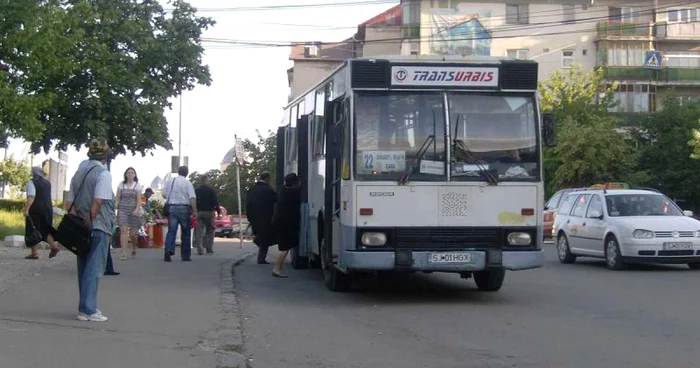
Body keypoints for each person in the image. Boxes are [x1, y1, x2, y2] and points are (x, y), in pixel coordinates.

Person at [64, 138, 115, 322]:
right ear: (106, 157)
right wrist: (89, 220)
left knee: (83, 266)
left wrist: (78, 219)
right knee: (94, 268)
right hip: (98, 226)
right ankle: (89, 309)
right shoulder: (104, 174)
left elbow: (69, 202)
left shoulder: (79, 173)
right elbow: (99, 201)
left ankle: (83, 307)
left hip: (79, 227)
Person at [23, 166, 61, 260]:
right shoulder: (47, 183)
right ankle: (54, 246)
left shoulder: (32, 182)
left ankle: (34, 252)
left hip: (35, 209)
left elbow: (31, 196)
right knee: (45, 228)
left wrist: (26, 209)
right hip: (47, 208)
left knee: (32, 228)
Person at [163, 166, 197, 262]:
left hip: (172, 207)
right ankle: (185, 255)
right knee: (186, 232)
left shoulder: (170, 181)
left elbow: (164, 194)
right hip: (184, 208)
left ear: (178, 172)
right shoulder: (188, 183)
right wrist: (194, 211)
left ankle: (168, 250)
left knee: (171, 231)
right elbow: (192, 198)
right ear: (187, 173)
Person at [271, 173, 301, 278]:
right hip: (285, 223)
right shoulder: (293, 192)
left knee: (285, 247)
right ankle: (277, 269)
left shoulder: (283, 191)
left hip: (279, 222)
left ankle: (277, 269)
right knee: (285, 248)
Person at [246, 171, 277, 264]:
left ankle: (261, 256)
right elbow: (276, 199)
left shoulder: (253, 189)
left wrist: (250, 217)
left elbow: (248, 204)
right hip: (265, 217)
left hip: (254, 217)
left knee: (262, 236)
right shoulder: (267, 189)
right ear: (267, 178)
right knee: (265, 237)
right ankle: (261, 258)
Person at [116, 167, 142, 260]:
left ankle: (134, 247)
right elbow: (118, 197)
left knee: (133, 234)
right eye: (128, 173)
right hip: (123, 209)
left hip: (133, 210)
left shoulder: (137, 186)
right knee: (123, 231)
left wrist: (136, 209)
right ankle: (123, 252)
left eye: (132, 173)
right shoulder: (121, 185)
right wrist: (116, 207)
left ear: (134, 175)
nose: (130, 174)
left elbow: (139, 200)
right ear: (126, 174)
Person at [194, 176, 220, 255]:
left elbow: (193, 200)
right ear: (207, 181)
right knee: (210, 230)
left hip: (199, 212)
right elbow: (215, 201)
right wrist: (218, 211)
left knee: (199, 232)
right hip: (209, 212)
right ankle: (209, 249)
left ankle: (200, 249)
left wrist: (193, 211)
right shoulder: (211, 190)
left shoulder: (196, 190)